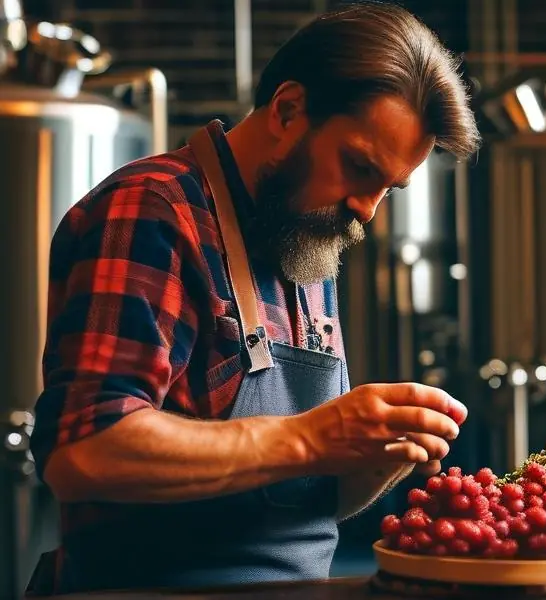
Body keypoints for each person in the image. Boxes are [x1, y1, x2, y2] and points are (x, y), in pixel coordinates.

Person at [26, 1, 481, 595]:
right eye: (358, 166)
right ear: (289, 110)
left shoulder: (304, 232)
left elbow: (292, 498)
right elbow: (83, 453)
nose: (366, 210)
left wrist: (378, 451)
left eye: (387, 188)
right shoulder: (154, 211)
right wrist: (314, 436)